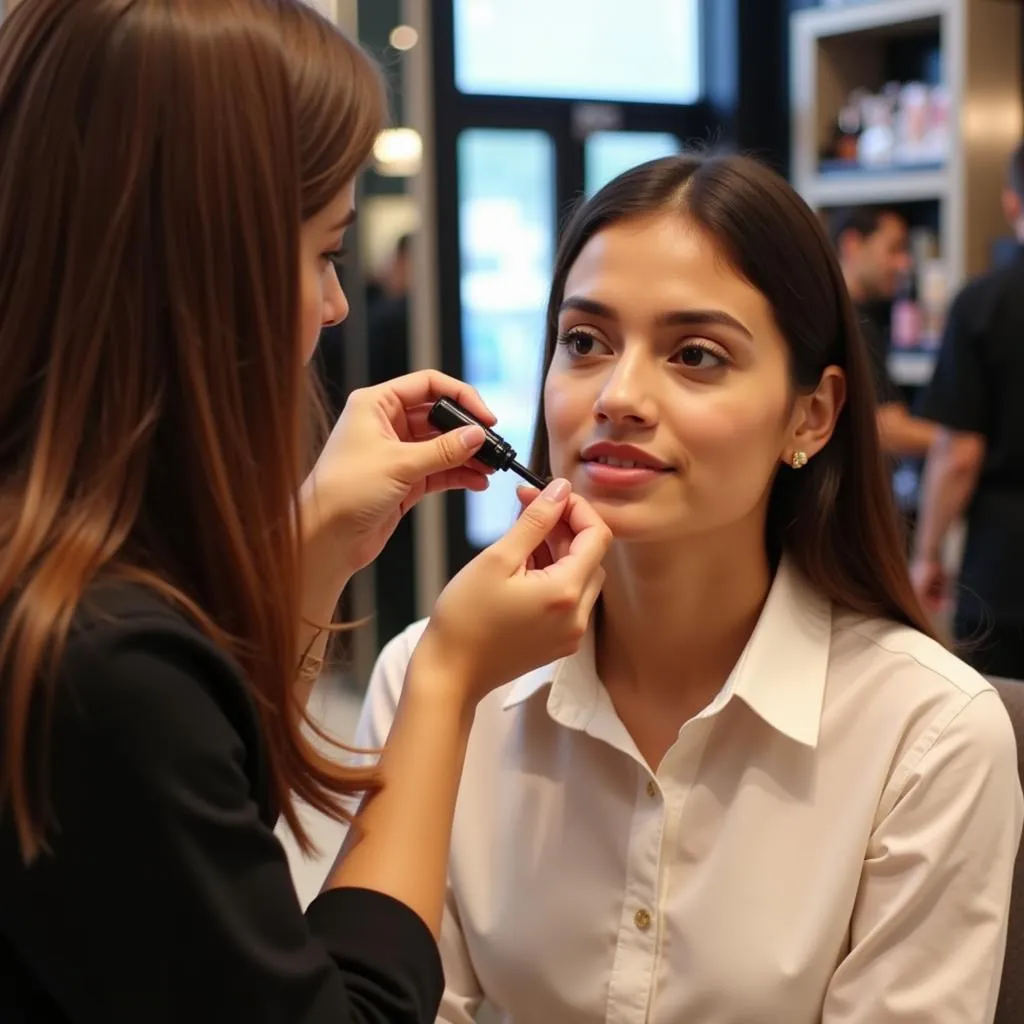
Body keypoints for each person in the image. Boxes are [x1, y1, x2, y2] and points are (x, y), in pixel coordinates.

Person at [0, 3, 610, 1023]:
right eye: (325, 251)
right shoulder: (93, 665)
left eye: (696, 354)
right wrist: (448, 677)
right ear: (202, 267)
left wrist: (313, 550)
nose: (333, 305)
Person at [349, 154, 1023, 1023]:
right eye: (584, 343)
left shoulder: (926, 737)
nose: (620, 396)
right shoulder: (432, 679)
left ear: (811, 415)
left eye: (696, 355)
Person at [911, 142, 1024, 680]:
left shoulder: (986, 304)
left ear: (1010, 202)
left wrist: (928, 552)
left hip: (1006, 573)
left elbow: (958, 454)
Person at [832, 205, 938, 457]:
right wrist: (962, 443)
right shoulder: (850, 324)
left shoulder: (863, 318)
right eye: (894, 249)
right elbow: (885, 429)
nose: (904, 263)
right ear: (853, 245)